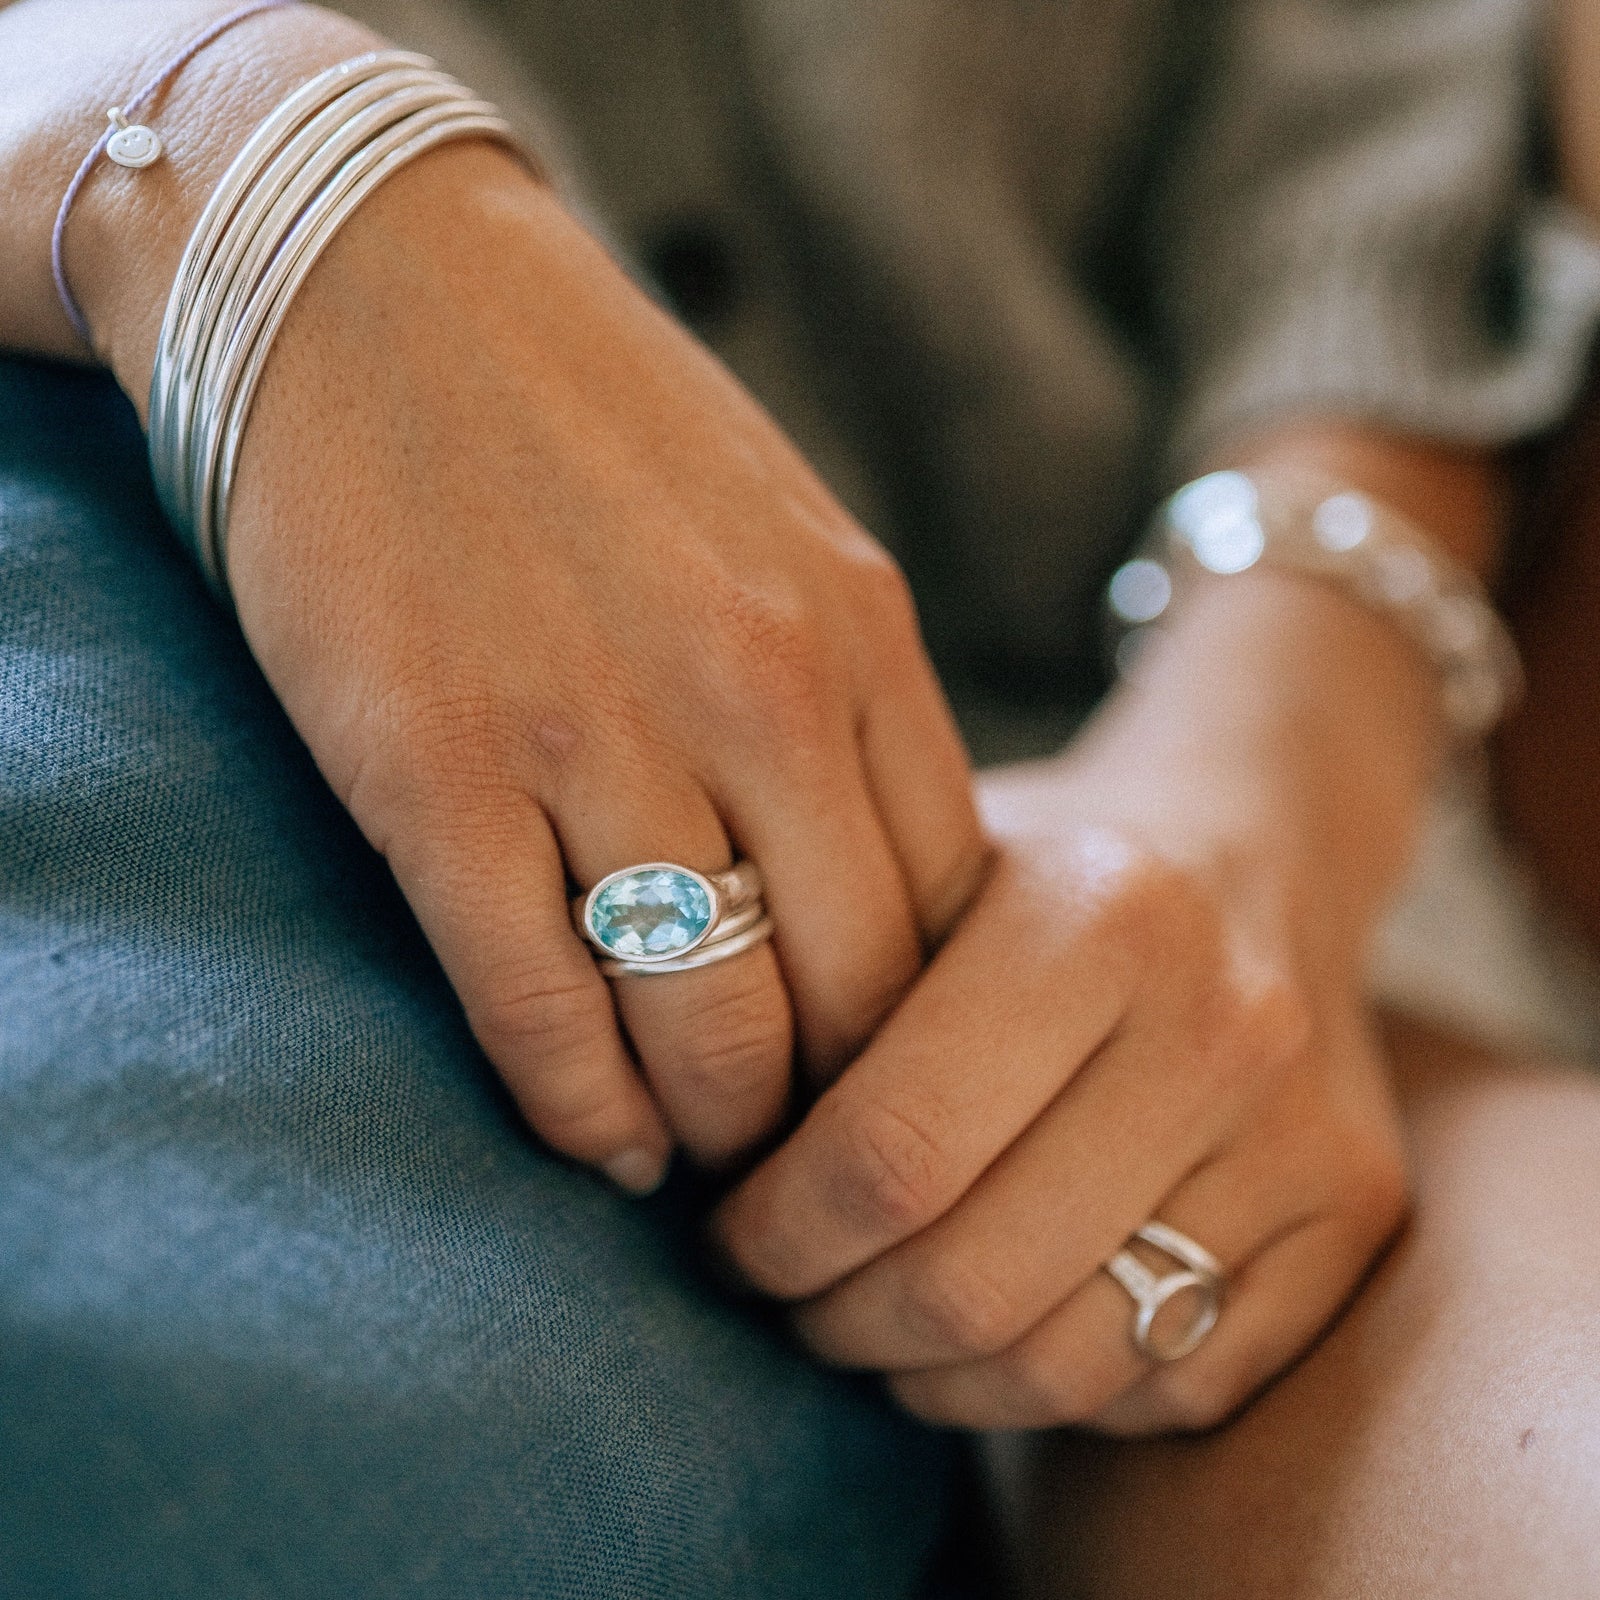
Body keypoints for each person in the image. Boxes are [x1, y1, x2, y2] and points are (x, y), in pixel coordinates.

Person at [2, 0, 1598, 1594]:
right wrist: (235, 142)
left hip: (1218, 858)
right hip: (227, 751)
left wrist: (1269, 797)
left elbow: (1384, 171)